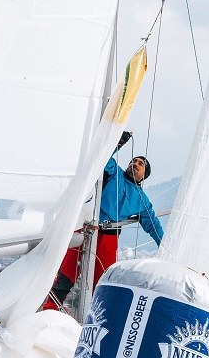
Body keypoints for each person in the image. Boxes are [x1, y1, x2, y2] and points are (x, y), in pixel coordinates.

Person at [43, 131, 163, 310]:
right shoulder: (115, 172)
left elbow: (154, 226)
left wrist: (166, 246)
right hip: (87, 227)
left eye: (141, 164)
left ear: (144, 176)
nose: (135, 164)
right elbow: (103, 157)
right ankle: (49, 308)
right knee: (67, 271)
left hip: (109, 237)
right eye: (133, 161)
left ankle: (96, 316)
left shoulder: (142, 200)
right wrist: (118, 142)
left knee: (102, 280)